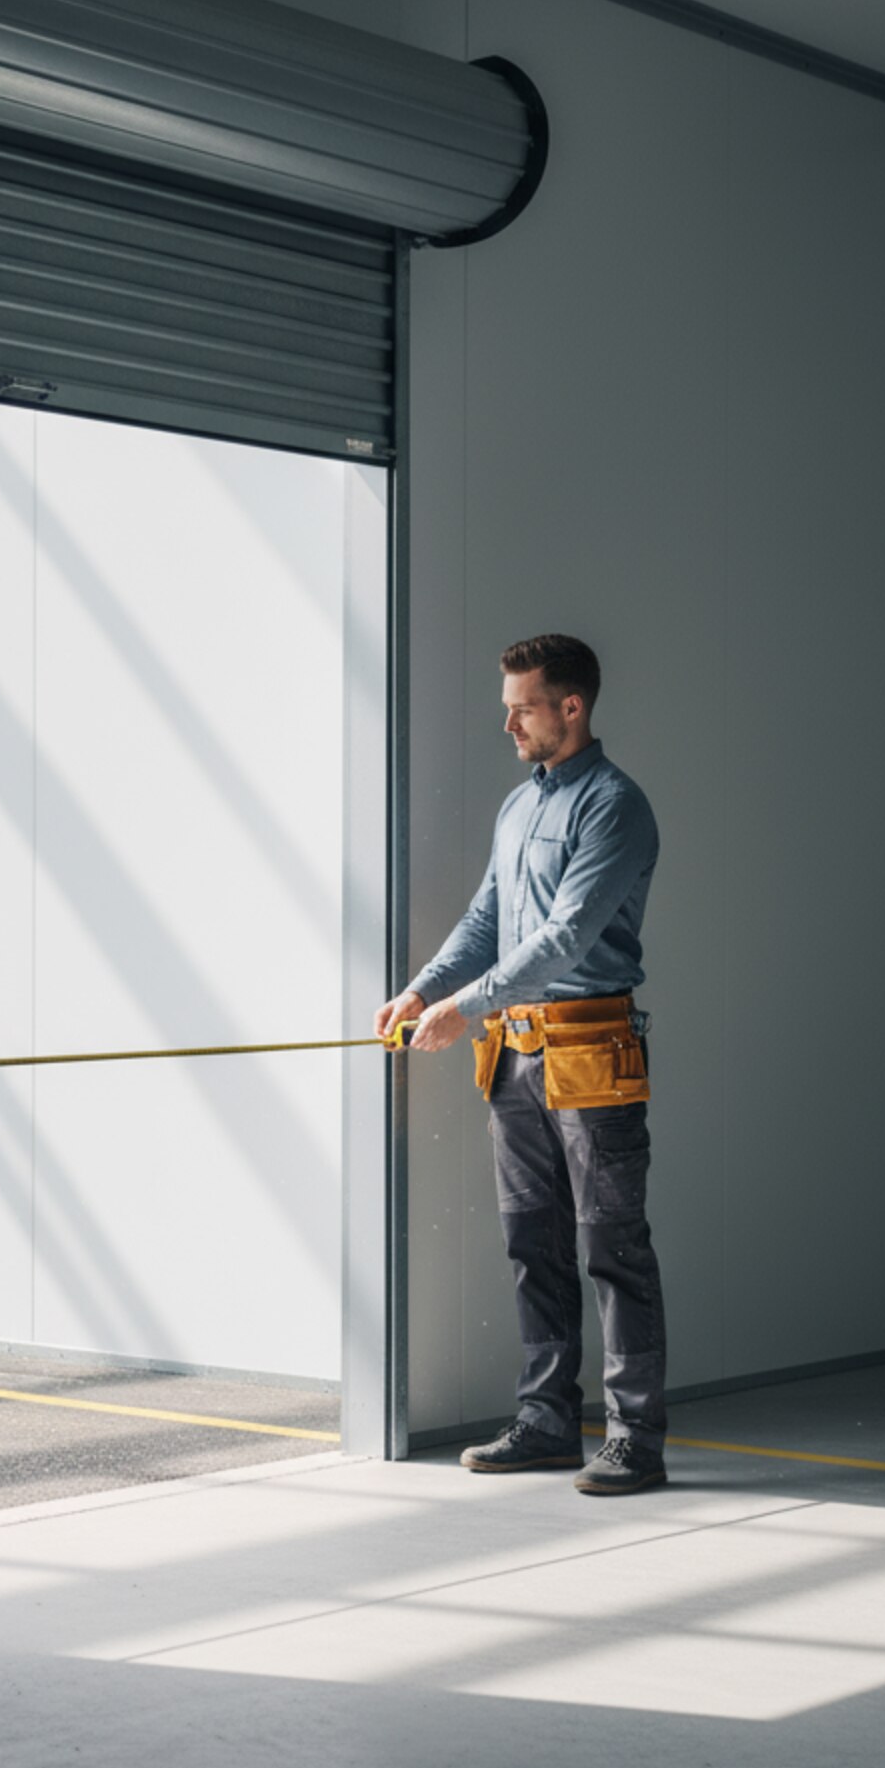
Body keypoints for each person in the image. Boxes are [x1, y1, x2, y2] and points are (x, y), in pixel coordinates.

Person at [376, 634, 668, 1494]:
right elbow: (488, 917)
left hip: (590, 1050)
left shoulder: (615, 806)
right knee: (531, 1244)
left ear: (572, 707)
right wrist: (420, 988)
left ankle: (634, 1439)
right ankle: (546, 1422)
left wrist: (464, 1008)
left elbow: (565, 937)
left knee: (612, 1247)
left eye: (523, 706)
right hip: (515, 1054)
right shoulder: (518, 807)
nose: (507, 722)